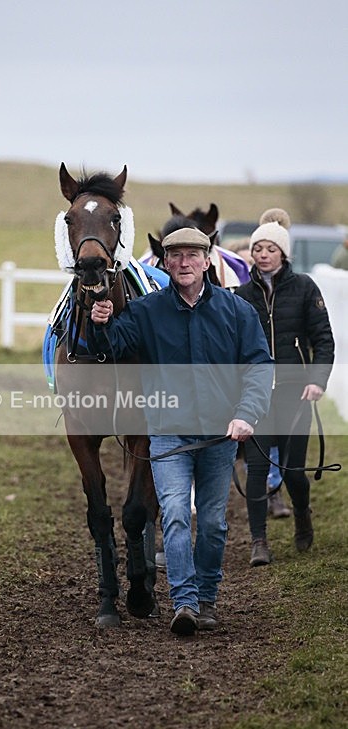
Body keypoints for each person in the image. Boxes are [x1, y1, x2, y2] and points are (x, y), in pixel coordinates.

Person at [87, 228, 273, 636]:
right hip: (169, 435)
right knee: (173, 516)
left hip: (220, 437)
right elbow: (114, 347)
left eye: (192, 255)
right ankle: (184, 603)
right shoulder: (147, 311)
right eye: (175, 256)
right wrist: (101, 323)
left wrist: (247, 414)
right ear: (165, 263)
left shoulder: (237, 311)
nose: (184, 262)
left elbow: (260, 367)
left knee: (212, 524)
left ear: (207, 261)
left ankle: (207, 599)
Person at [235, 211, 335, 567]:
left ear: (283, 253)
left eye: (270, 249)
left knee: (293, 471)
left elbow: (323, 339)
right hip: (256, 395)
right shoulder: (242, 295)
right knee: (257, 469)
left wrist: (317, 379)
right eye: (258, 248)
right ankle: (259, 541)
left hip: (295, 391)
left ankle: (302, 514)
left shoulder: (305, 287)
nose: (263, 255)